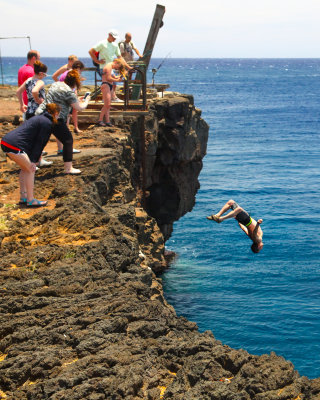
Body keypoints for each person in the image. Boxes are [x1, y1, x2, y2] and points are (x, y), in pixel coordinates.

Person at [0, 103, 60, 207]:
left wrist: (31, 159)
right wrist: (34, 160)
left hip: (6, 141)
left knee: (24, 169)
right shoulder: (47, 123)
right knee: (31, 169)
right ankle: (31, 200)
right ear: (56, 113)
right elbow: (40, 143)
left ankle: (23, 197)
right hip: (15, 144)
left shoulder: (39, 118)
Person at [36, 70, 90, 174]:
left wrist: (75, 99)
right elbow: (79, 108)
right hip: (55, 118)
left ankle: (35, 162)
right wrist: (87, 100)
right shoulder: (69, 92)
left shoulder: (56, 84)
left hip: (41, 114)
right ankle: (68, 168)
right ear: (75, 82)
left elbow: (60, 98)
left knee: (40, 140)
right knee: (68, 140)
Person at [88, 30, 132, 101]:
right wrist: (97, 61)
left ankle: (108, 98)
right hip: (103, 67)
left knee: (112, 83)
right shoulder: (102, 43)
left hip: (111, 68)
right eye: (113, 37)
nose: (114, 39)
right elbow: (91, 51)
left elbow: (120, 57)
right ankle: (110, 98)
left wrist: (128, 67)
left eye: (115, 37)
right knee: (109, 83)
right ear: (109, 35)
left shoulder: (115, 45)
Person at [58, 60, 85, 134]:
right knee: (68, 112)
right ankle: (67, 128)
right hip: (66, 95)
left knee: (72, 111)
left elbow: (74, 88)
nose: (80, 73)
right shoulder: (70, 74)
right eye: (81, 71)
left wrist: (76, 97)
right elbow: (70, 87)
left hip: (66, 94)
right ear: (78, 68)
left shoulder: (69, 73)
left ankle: (74, 127)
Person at [97, 59, 126, 127]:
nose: (117, 68)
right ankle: (100, 120)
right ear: (116, 63)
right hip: (106, 85)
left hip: (109, 85)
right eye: (118, 67)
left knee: (108, 105)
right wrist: (117, 80)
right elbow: (108, 78)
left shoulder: (111, 68)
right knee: (107, 104)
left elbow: (113, 77)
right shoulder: (108, 67)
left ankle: (107, 121)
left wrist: (120, 77)